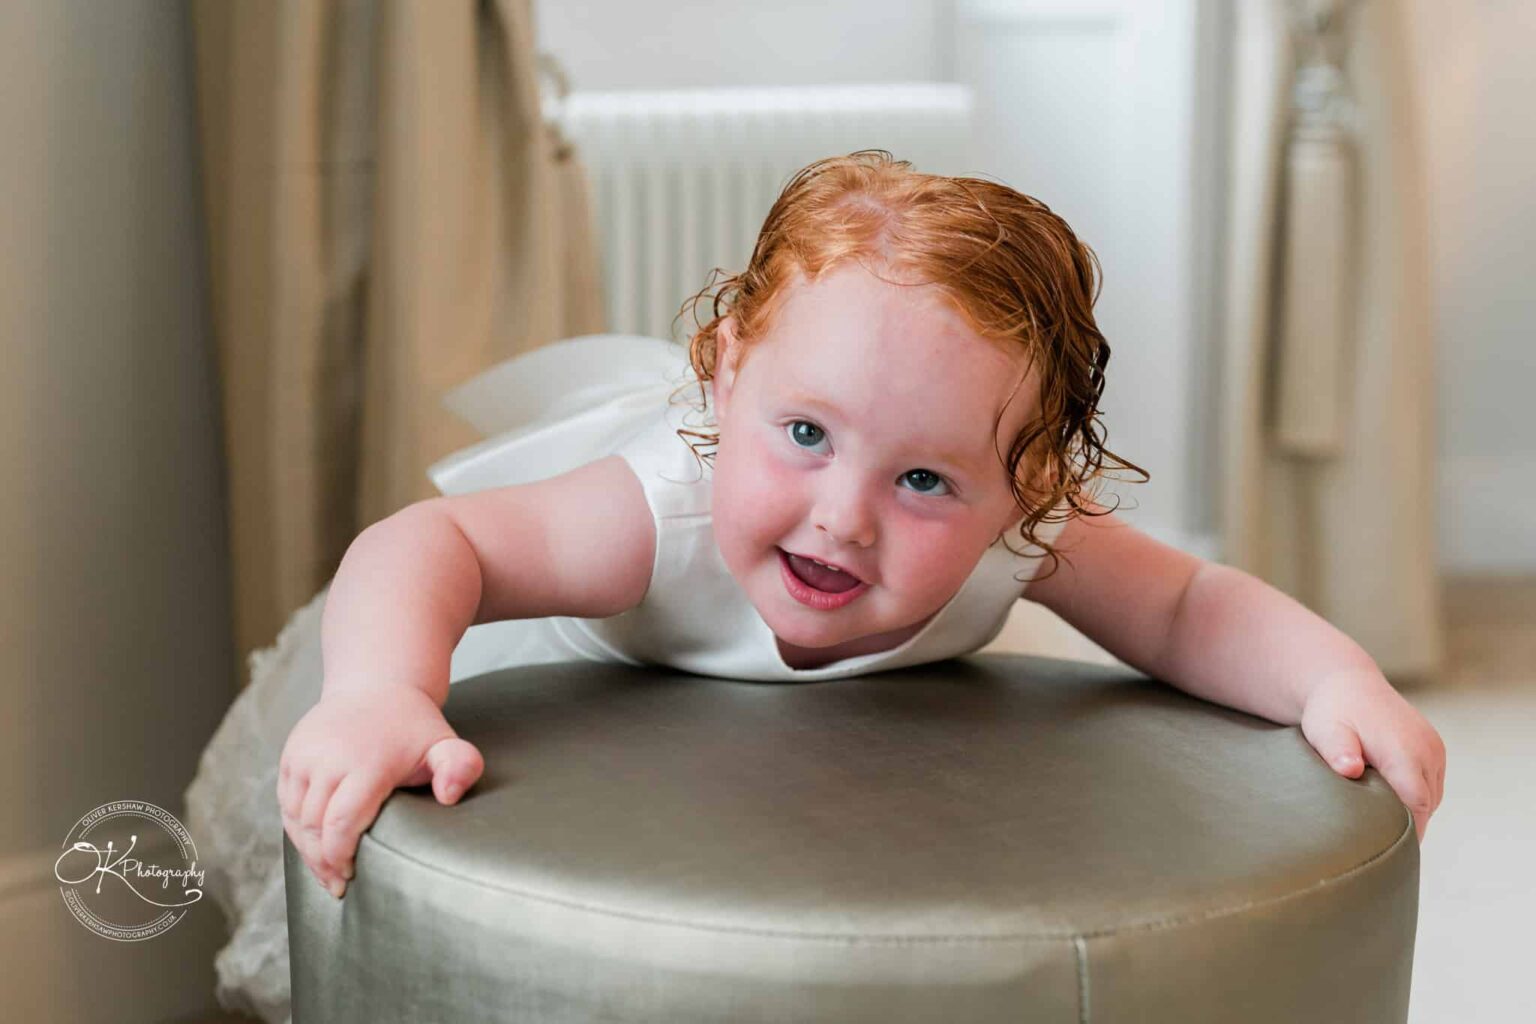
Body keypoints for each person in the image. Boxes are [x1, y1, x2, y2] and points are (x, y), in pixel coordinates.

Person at [186, 150, 1445, 1022]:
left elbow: (1180, 606)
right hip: (543, 691)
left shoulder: (1023, 522)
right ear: (726, 380)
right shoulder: (653, 513)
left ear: (1025, 486)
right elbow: (426, 546)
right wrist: (381, 688)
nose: (842, 515)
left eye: (925, 482)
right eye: (803, 436)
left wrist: (1334, 676)